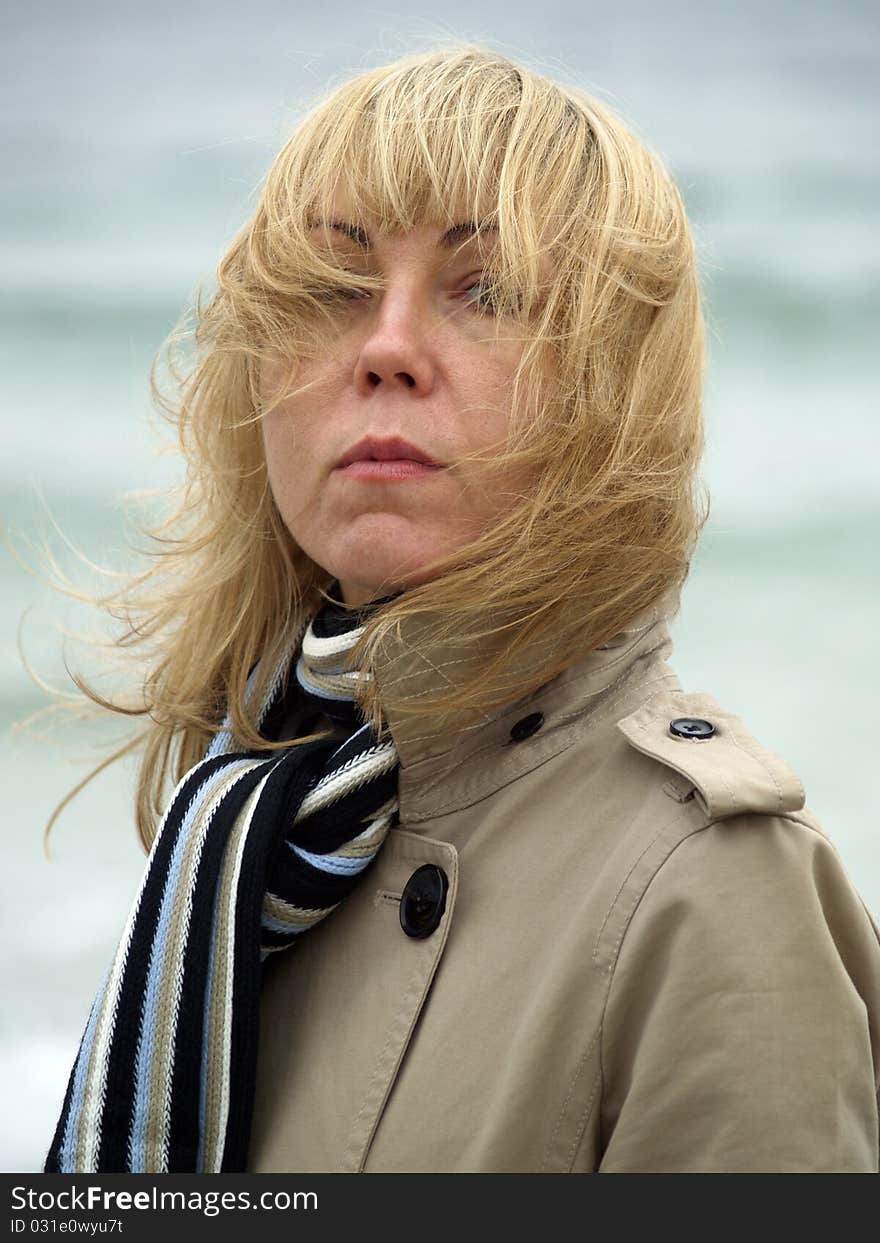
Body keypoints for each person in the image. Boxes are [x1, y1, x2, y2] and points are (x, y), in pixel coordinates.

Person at [44, 45, 880, 1175]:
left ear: (614, 393)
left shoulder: (714, 889)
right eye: (335, 287)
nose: (386, 347)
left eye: (489, 291)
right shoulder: (249, 828)